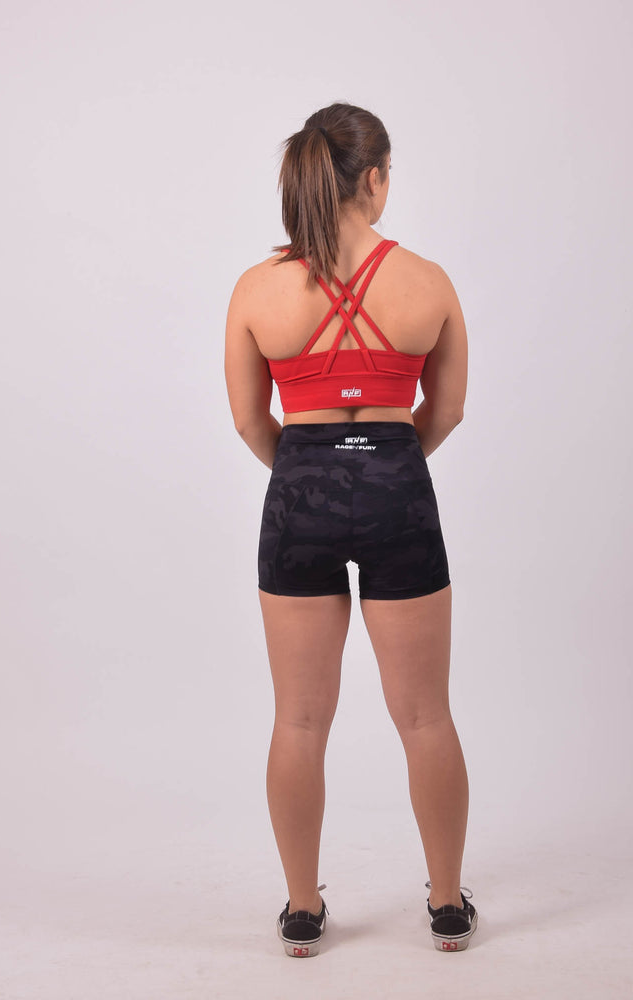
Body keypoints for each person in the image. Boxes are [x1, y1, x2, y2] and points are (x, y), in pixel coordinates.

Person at [223, 102, 476, 956]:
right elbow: (447, 410)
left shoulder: (257, 288)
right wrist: (386, 466)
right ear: (373, 178)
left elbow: (249, 421)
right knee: (426, 718)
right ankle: (447, 906)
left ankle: (302, 912)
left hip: (300, 494)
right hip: (399, 489)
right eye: (389, 173)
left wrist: (311, 473)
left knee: (299, 721)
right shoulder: (429, 281)